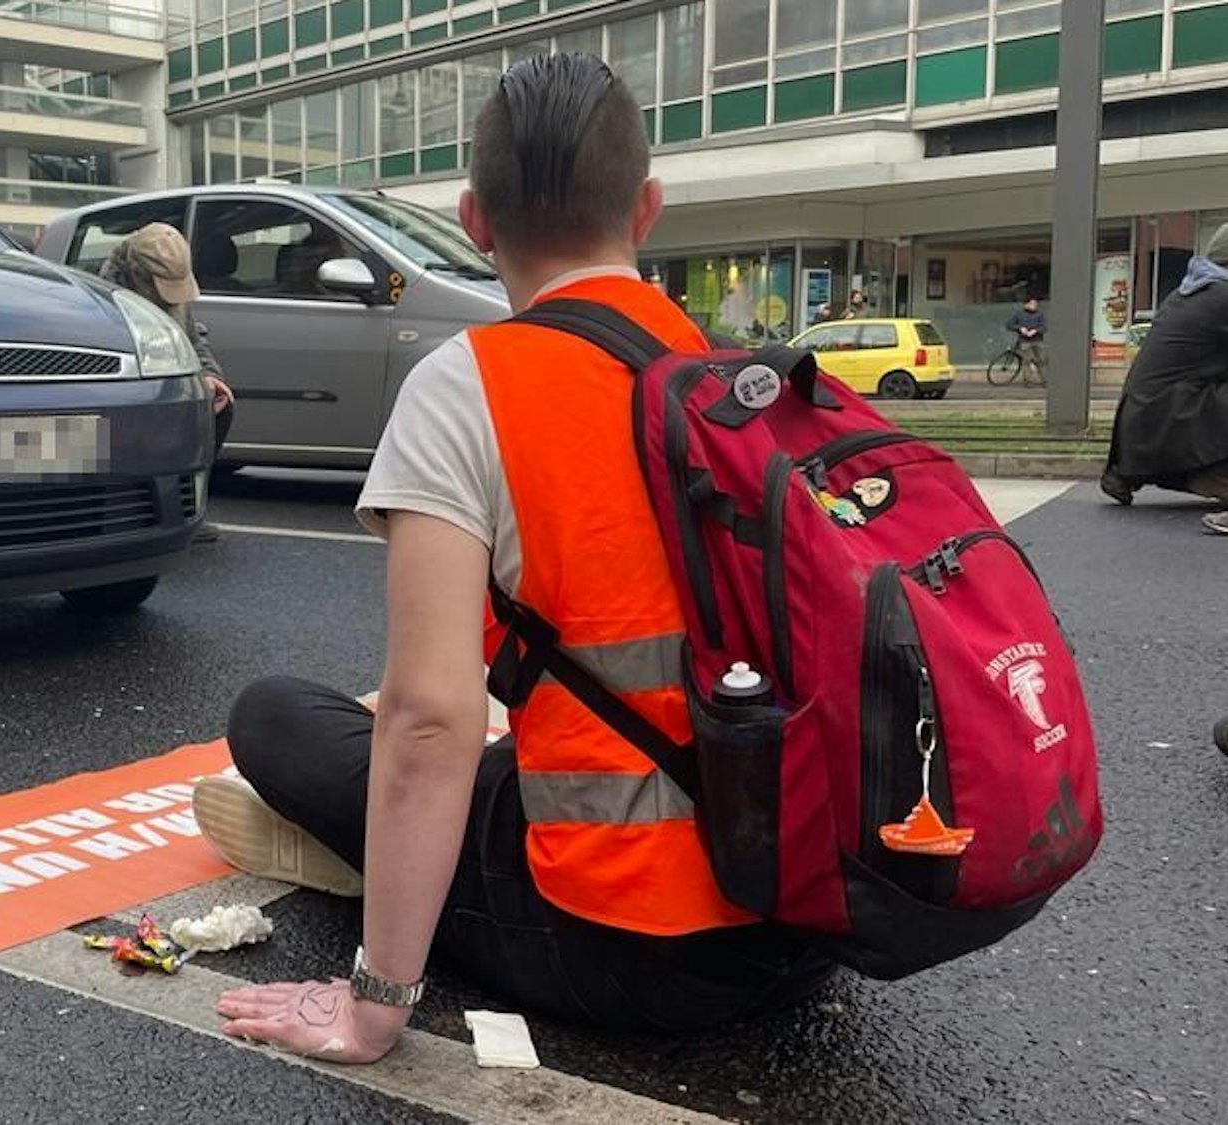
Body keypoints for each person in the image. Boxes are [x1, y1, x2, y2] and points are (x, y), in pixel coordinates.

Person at [193, 53, 831, 1063]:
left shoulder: (467, 384)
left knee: (275, 714)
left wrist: (374, 1004)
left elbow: (430, 717)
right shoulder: (736, 377)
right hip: (810, 907)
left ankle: (405, 905)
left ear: (474, 221)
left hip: (622, 944)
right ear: (647, 209)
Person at [101, 222, 235, 542]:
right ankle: (121, 515)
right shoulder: (104, 300)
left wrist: (210, 377)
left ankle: (188, 508)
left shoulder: (175, 300)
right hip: (132, 391)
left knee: (220, 407)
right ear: (139, 275)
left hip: (172, 384)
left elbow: (195, 341)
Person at [1101, 222, 1228, 531]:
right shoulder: (1223, 295)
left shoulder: (1197, 289)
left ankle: (1205, 475)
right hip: (1170, 423)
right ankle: (1209, 475)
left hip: (1151, 430)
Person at [1006, 297, 1047, 383]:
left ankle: (1045, 380)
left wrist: (1035, 330)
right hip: (1024, 341)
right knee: (1026, 361)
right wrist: (1020, 328)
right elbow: (1009, 325)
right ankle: (1028, 381)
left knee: (1041, 360)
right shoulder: (1019, 314)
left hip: (1038, 340)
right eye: (1032, 304)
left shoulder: (1040, 314)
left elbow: (1044, 327)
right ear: (1026, 304)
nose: (1034, 306)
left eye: (1035, 304)